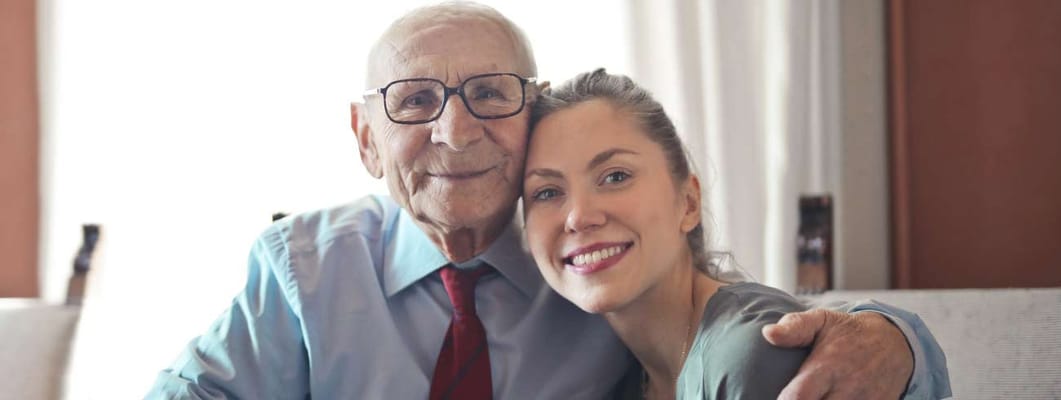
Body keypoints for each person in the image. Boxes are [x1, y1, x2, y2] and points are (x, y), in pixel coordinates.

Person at [147, 3, 951, 399]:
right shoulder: (301, 272)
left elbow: (751, 334)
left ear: (528, 117)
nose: (455, 131)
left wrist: (897, 337)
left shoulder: (592, 273)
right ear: (364, 139)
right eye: (415, 99)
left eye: (489, 94)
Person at [521, 68, 946, 399]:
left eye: (615, 176)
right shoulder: (619, 373)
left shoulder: (752, 355)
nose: (578, 216)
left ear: (687, 203)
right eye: (546, 191)